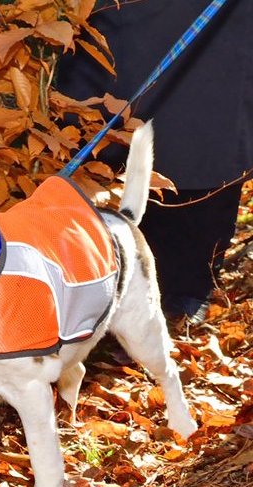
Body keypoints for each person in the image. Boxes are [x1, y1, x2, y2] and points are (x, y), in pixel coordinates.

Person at [57, 0, 253, 323]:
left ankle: (179, 295)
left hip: (220, 40)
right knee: (93, 119)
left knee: (210, 131)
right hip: (116, 25)